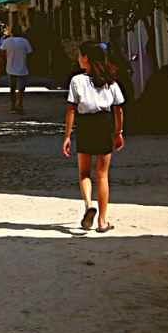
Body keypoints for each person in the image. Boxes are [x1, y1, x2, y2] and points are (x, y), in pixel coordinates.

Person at [61, 40, 124, 232]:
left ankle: (89, 204)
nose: (78, 59)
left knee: (84, 173)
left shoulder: (77, 81)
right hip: (104, 125)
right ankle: (102, 222)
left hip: (85, 126)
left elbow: (71, 110)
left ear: (86, 58)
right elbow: (118, 110)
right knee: (102, 175)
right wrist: (118, 132)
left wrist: (67, 136)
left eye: (80, 55)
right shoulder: (110, 81)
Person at [0, 27, 33, 112]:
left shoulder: (7, 41)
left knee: (12, 88)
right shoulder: (25, 41)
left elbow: (2, 54)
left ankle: (13, 106)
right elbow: (30, 54)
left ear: (12, 33)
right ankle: (20, 105)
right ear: (21, 32)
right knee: (21, 89)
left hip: (10, 68)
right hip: (22, 68)